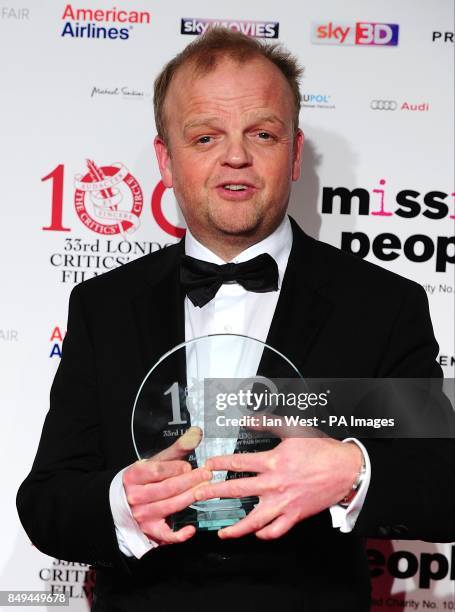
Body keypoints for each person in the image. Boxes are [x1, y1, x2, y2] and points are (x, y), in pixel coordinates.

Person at [17, 28, 455, 612]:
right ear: (165, 159)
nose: (236, 156)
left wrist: (351, 468)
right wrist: (122, 502)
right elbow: (47, 502)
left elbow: (444, 484)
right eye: (204, 136)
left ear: (294, 153)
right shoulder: (104, 306)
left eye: (263, 133)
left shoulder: (381, 304)